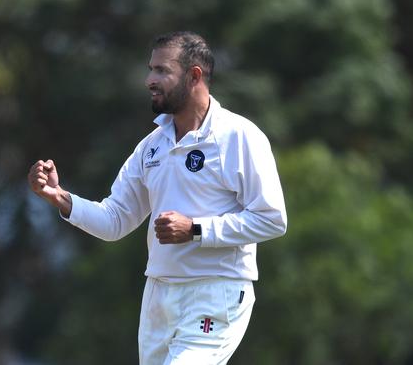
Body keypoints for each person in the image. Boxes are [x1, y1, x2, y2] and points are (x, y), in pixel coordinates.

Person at [28, 31, 287, 365]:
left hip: (215, 292)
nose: (150, 79)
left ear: (194, 75)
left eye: (162, 71)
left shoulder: (238, 136)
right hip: (159, 296)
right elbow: (115, 220)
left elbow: (272, 219)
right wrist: (59, 197)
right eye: (151, 69)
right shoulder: (151, 146)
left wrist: (195, 228)